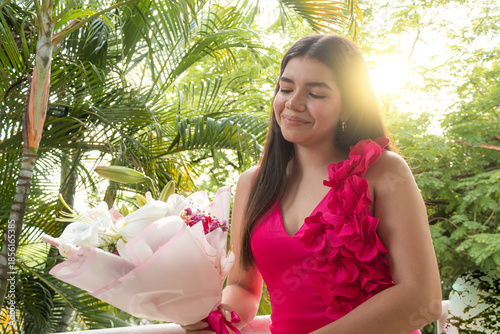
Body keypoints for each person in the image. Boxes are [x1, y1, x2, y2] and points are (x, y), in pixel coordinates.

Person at [182, 34, 442, 334]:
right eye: (286, 88)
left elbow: (422, 298)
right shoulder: (253, 183)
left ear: (347, 106)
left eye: (315, 94)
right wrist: (210, 315)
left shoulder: (382, 171)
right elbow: (242, 286)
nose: (293, 103)